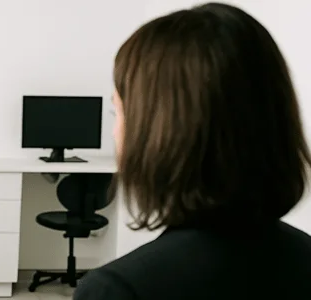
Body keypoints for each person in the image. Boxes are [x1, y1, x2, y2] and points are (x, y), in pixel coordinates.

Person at [74, 2, 311, 300]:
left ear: (159, 132)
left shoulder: (120, 290)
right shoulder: (304, 258)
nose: (114, 132)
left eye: (118, 113)